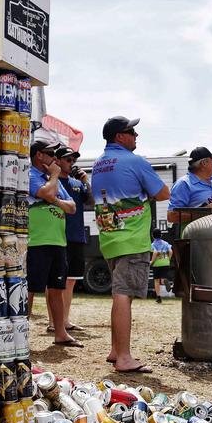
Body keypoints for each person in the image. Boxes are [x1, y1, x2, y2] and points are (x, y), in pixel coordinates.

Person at [91, 116, 169, 373]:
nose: (136, 136)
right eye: (132, 132)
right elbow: (163, 193)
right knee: (123, 295)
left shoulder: (99, 164)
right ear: (119, 137)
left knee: (120, 293)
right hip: (132, 239)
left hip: (109, 238)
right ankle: (124, 357)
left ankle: (116, 350)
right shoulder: (134, 161)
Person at [26, 140, 81, 346]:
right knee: (30, 289)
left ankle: (60, 333)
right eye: (50, 154)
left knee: (57, 288)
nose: (54, 158)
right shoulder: (30, 175)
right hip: (37, 242)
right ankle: (22, 335)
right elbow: (46, 193)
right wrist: (55, 178)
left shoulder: (51, 179)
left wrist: (55, 200)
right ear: (39, 155)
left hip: (58, 241)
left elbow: (72, 207)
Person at [57, 146, 94, 331]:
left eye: (74, 160)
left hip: (76, 235)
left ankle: (64, 320)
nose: (72, 163)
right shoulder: (51, 181)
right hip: (57, 236)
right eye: (68, 160)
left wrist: (86, 180)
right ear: (57, 161)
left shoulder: (77, 184)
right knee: (56, 282)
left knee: (70, 280)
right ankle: (53, 322)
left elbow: (92, 201)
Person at [167, 146, 212, 227]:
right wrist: (204, 212)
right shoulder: (184, 184)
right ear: (204, 163)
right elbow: (171, 216)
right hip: (194, 237)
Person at [150, 230, 173, 303]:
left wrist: (152, 261)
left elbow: (155, 252)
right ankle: (165, 280)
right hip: (165, 262)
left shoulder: (153, 244)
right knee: (163, 277)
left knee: (156, 280)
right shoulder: (165, 243)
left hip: (157, 263)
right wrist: (168, 259)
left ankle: (158, 297)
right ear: (161, 235)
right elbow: (170, 251)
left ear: (153, 236)